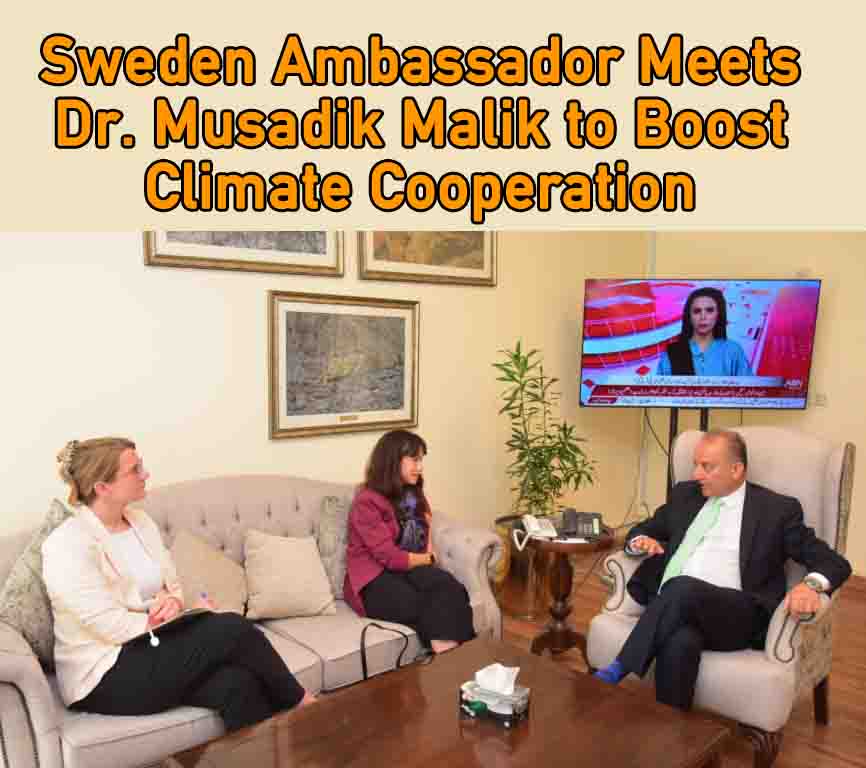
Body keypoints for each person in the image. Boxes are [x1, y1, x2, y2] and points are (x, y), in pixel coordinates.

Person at [43, 437, 315, 732]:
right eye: (135, 470)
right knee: (233, 628)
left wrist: (173, 602)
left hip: (149, 644)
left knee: (238, 684)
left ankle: (272, 749)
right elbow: (106, 624)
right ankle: (305, 706)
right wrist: (163, 620)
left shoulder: (140, 522)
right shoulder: (67, 544)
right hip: (103, 672)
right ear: (102, 488)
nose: (146, 474)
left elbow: (171, 585)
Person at [593, 429, 851, 711]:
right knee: (680, 641)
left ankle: (619, 667)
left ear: (736, 469)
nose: (697, 474)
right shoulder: (685, 495)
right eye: (695, 465)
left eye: (707, 467)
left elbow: (834, 562)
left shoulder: (776, 510)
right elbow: (641, 530)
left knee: (682, 586)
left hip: (737, 613)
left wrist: (810, 585)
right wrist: (640, 542)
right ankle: (670, 730)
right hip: (677, 607)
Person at [344, 430, 475, 653]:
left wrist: (429, 554)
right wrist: (429, 559)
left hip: (408, 570)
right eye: (414, 460)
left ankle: (456, 661)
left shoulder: (413, 494)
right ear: (393, 460)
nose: (420, 467)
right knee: (429, 604)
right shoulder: (367, 501)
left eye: (421, 460)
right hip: (374, 580)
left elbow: (426, 530)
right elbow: (391, 558)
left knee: (452, 588)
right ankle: (454, 661)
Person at [657, 287, 754, 376]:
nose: (703, 317)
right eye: (697, 311)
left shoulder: (733, 351)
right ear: (689, 316)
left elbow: (749, 386)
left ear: (718, 314)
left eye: (709, 310)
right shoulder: (671, 354)